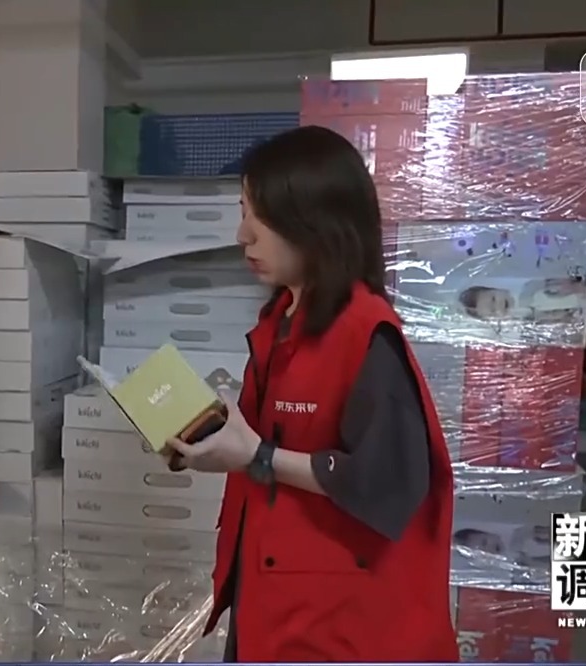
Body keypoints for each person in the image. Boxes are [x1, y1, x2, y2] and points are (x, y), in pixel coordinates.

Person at [163, 125, 459, 662]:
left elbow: (388, 483)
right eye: (243, 212)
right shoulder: (279, 321)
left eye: (261, 217)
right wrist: (206, 443)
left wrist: (258, 455)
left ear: (317, 222)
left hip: (336, 624)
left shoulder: (365, 335)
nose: (243, 235)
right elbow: (265, 443)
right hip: (269, 591)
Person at [457, 276, 586, 323]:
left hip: (581, 295)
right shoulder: (527, 319)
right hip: (580, 314)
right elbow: (556, 319)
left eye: (494, 299)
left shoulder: (530, 287)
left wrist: (575, 288)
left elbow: (560, 284)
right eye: (493, 311)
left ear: (499, 289)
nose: (499, 306)